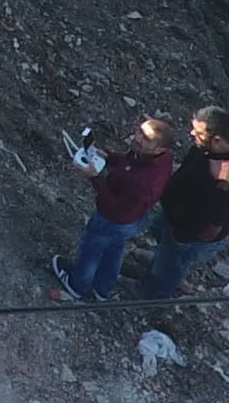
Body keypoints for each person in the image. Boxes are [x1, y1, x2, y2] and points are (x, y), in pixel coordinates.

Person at [54, 114, 176, 305]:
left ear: (160, 148)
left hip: (115, 219)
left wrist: (94, 177)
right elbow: (129, 161)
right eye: (140, 131)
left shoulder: (145, 182)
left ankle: (77, 285)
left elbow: (115, 208)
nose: (137, 138)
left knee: (91, 250)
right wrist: (110, 157)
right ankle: (103, 289)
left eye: (146, 138)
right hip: (134, 218)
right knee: (114, 250)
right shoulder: (160, 157)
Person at [139, 107, 229, 301]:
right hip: (174, 216)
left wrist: (184, 240)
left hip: (187, 232)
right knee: (162, 242)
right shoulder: (206, 148)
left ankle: (152, 292)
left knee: (170, 264)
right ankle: (165, 263)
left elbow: (213, 227)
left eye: (198, 133)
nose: (192, 134)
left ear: (217, 139)